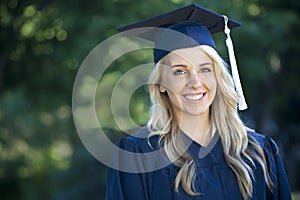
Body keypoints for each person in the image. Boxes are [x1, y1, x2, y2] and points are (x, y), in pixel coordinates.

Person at [106, 4, 292, 200]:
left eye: (205, 69)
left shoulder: (258, 152)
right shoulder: (138, 156)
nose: (195, 83)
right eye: (180, 71)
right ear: (160, 83)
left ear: (218, 77)